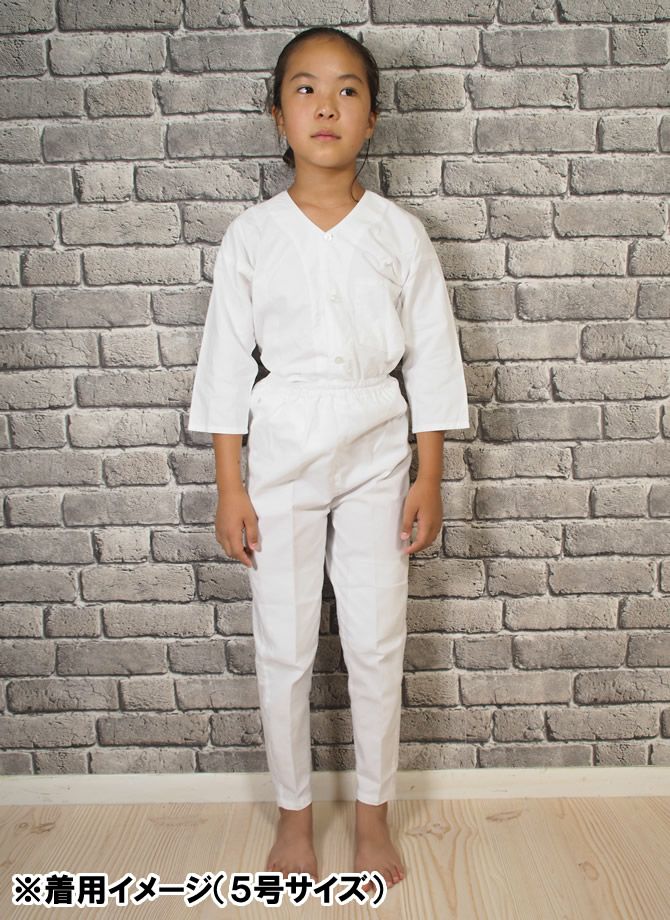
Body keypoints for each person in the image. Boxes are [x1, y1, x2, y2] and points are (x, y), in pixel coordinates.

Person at [187, 26, 469, 892]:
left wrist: (429, 474)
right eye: (305, 89)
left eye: (348, 90)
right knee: (285, 643)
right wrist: (230, 486)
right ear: (278, 115)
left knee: (378, 638)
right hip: (279, 447)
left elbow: (432, 358)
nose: (326, 106)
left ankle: (374, 814)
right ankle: (294, 814)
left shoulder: (400, 234)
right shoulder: (252, 236)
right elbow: (225, 365)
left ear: (372, 119)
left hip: (379, 444)